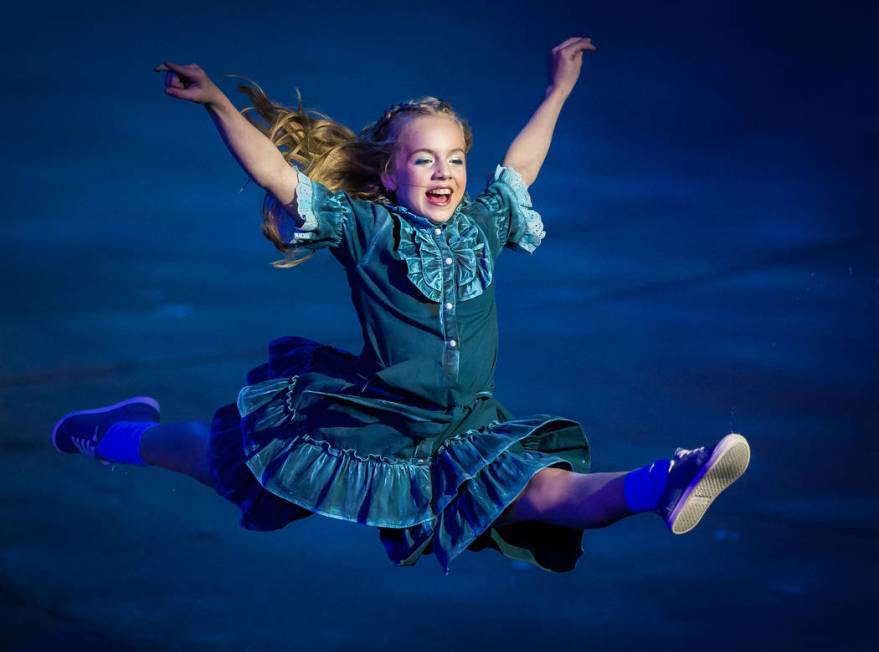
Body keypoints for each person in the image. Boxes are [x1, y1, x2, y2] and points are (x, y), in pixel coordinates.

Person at [51, 37, 750, 575]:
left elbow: (524, 167)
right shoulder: (367, 228)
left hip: (463, 428)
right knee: (222, 466)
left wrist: (556, 89)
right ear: (389, 172)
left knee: (545, 495)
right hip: (368, 424)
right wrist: (217, 104)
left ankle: (667, 480)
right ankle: (111, 436)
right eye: (424, 160)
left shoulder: (482, 223)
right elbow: (277, 175)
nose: (444, 173)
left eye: (454, 160)